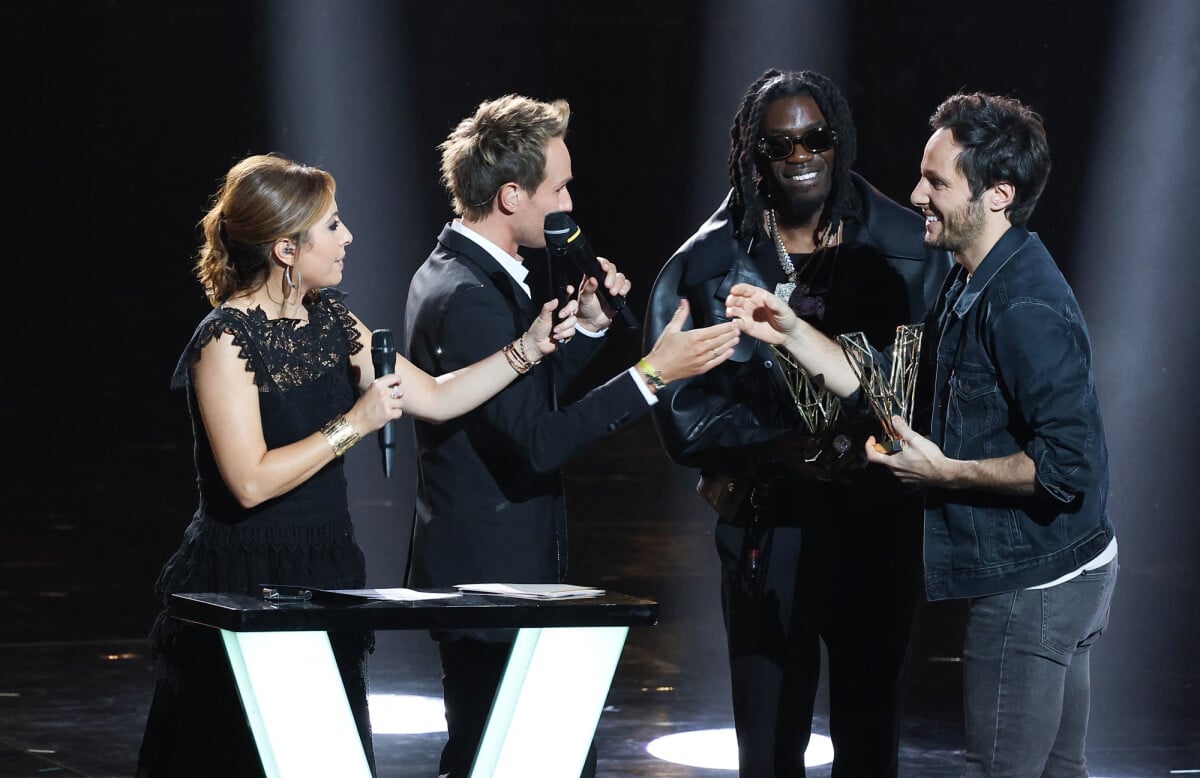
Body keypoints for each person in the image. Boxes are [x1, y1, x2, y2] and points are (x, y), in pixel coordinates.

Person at [136, 152, 580, 777]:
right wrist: (356, 424)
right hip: (244, 576)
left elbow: (436, 396)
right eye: (332, 226)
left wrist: (528, 348)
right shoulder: (225, 338)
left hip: (324, 565)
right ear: (287, 248)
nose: (349, 237)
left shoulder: (334, 321)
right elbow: (249, 480)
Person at [726, 91, 1118, 778]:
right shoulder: (968, 281)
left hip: (1037, 589)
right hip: (1063, 573)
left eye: (937, 182)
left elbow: (1067, 467)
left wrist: (946, 474)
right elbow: (888, 384)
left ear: (998, 194)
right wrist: (789, 330)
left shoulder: (1020, 304)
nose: (916, 195)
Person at [403, 93, 740, 778]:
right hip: (487, 583)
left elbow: (520, 403)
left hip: (501, 575)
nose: (569, 202)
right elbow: (538, 442)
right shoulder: (468, 296)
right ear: (510, 196)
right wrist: (650, 374)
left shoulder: (468, 274)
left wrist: (587, 327)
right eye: (558, 187)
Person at [644, 69, 953, 777]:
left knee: (870, 733)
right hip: (768, 526)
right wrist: (782, 448)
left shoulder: (912, 250)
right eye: (780, 145)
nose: (800, 155)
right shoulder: (705, 267)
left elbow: (937, 384)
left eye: (815, 138)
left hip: (878, 524)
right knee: (770, 741)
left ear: (837, 140)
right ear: (754, 154)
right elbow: (681, 415)